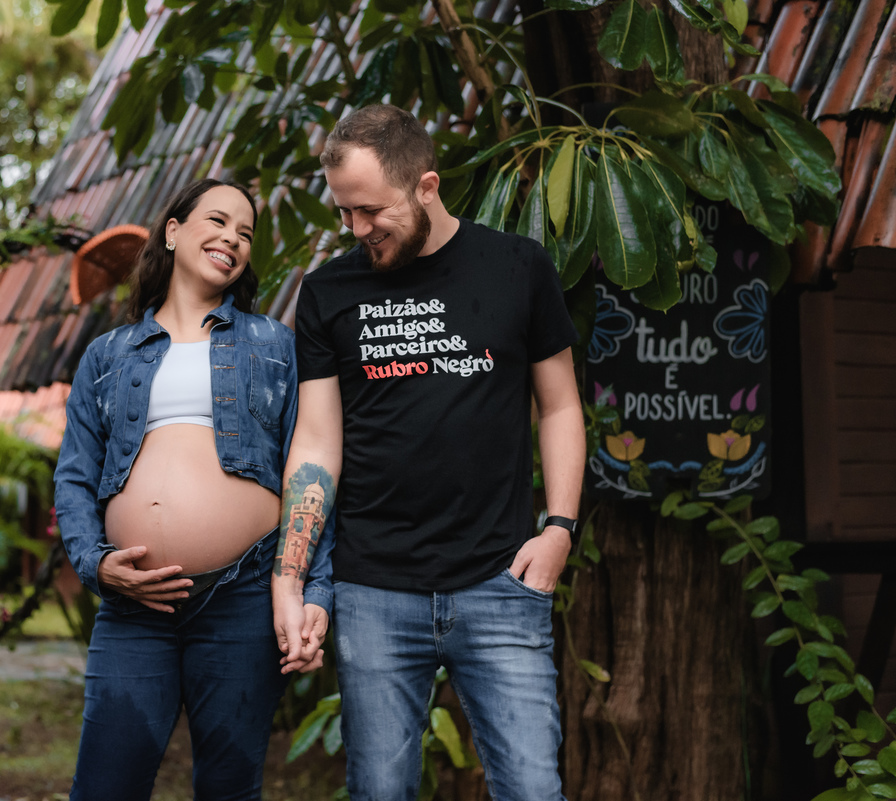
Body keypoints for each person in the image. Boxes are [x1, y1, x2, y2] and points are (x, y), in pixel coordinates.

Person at [271, 105, 585, 800]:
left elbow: (561, 406)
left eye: (370, 210)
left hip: (500, 580)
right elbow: (317, 442)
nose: (357, 229)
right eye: (344, 212)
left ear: (426, 186)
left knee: (533, 790)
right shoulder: (328, 292)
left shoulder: (518, 267)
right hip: (374, 590)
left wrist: (560, 528)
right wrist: (289, 579)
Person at [55, 178, 333, 801]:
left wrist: (313, 589)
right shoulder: (107, 354)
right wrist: (96, 564)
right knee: (104, 788)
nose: (233, 238)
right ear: (173, 231)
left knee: (229, 789)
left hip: (244, 594)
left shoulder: (274, 345)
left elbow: (311, 471)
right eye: (218, 221)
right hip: (134, 606)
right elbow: (75, 475)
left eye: (245, 233)